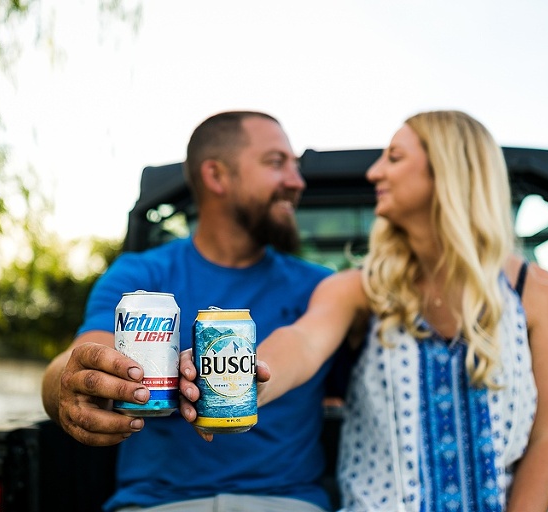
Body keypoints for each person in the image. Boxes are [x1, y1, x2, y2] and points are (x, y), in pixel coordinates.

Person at [181, 110, 548, 511]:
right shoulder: (359, 289)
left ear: (450, 171)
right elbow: (302, 342)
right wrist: (241, 372)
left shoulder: (536, 292)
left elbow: (546, 440)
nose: (374, 173)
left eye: (394, 158)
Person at [41, 111, 338, 512]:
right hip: (157, 504)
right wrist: (68, 382)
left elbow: (301, 344)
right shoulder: (140, 275)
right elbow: (83, 353)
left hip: (285, 502)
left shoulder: (320, 286)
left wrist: (245, 379)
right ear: (216, 176)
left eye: (296, 167)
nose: (297, 182)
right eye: (276, 162)